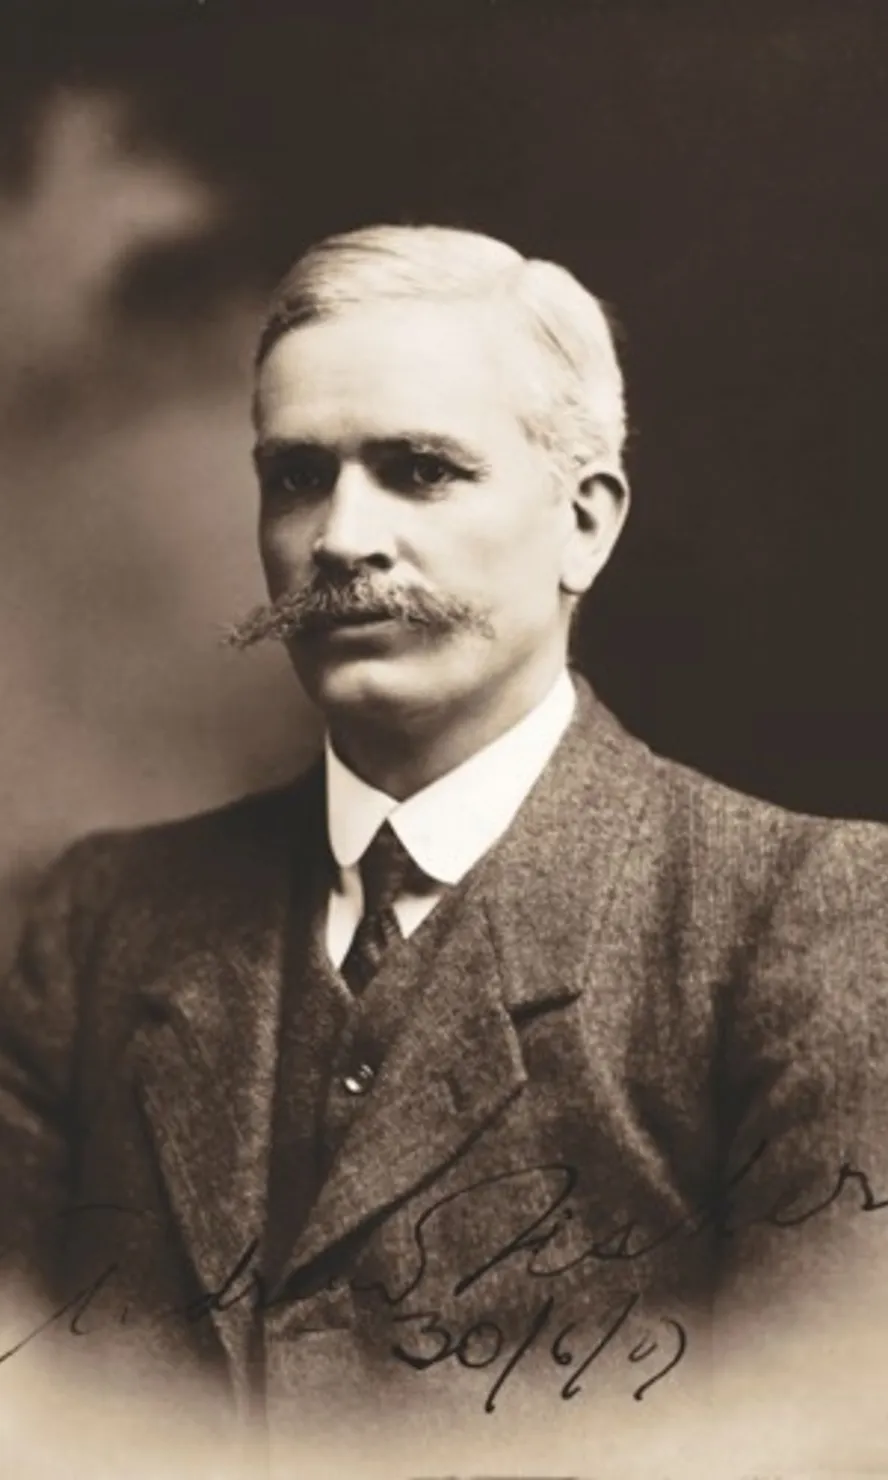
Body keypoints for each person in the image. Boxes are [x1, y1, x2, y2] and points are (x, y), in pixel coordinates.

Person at [1, 224, 887, 1438]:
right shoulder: (98, 923)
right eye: (297, 476)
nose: (340, 539)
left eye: (419, 470)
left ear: (586, 522)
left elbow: (823, 1438)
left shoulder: (807, 919)